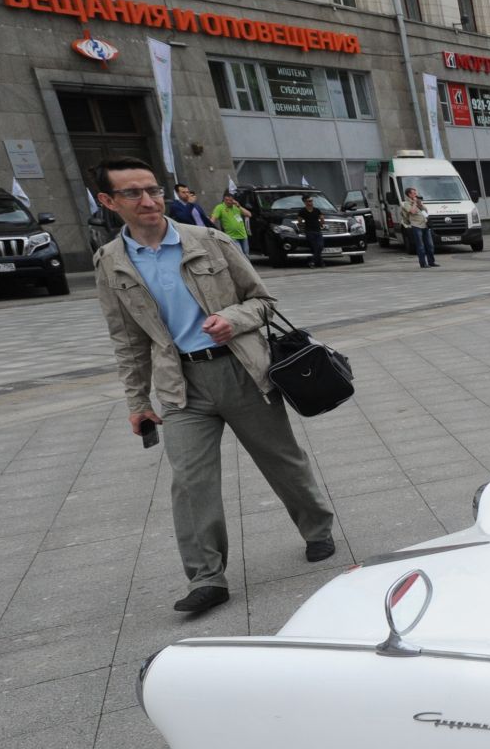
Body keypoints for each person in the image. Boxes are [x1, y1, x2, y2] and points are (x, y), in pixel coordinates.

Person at [91, 157, 335, 616]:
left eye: (153, 190)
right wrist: (137, 401)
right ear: (108, 201)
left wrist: (233, 319)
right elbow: (126, 341)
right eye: (133, 193)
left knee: (282, 460)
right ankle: (207, 577)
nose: (148, 200)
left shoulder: (209, 241)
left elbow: (262, 301)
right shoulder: (111, 263)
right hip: (180, 386)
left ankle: (317, 529)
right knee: (189, 481)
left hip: (241, 369)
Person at [401, 187, 436, 268]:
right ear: (409, 194)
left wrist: (420, 203)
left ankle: (431, 262)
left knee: (430, 245)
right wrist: (414, 203)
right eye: (414, 193)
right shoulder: (406, 203)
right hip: (416, 226)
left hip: (425, 225)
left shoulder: (418, 202)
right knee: (420, 246)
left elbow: (425, 211)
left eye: (416, 193)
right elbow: (412, 211)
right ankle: (423, 263)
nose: (416, 194)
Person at [209, 191, 249, 256]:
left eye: (230, 200)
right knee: (240, 255)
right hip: (232, 237)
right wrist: (209, 225)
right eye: (226, 200)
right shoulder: (220, 207)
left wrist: (239, 206)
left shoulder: (236, 206)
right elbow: (213, 219)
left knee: (246, 255)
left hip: (243, 235)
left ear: (233, 200)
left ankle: (248, 266)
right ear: (223, 199)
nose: (228, 202)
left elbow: (249, 214)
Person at [295, 194, 325, 267]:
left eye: (311, 201)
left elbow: (322, 218)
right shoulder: (302, 211)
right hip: (309, 231)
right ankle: (320, 263)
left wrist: (321, 223)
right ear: (305, 202)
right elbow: (299, 221)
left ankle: (313, 261)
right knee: (315, 247)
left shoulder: (316, 210)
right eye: (309, 201)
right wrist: (302, 225)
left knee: (320, 246)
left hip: (318, 231)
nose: (311, 202)